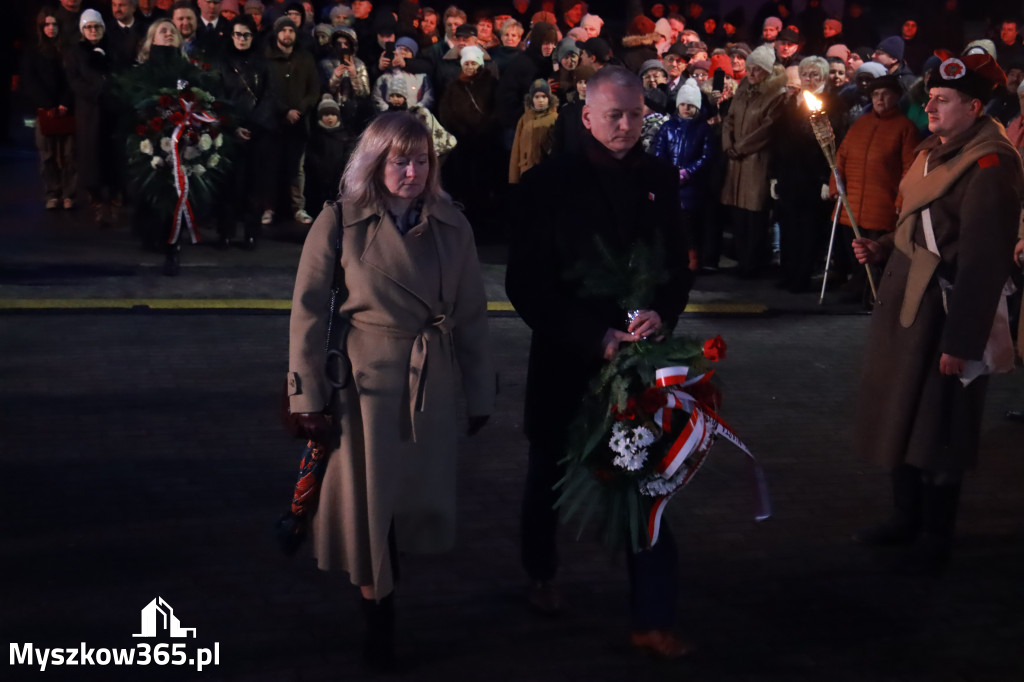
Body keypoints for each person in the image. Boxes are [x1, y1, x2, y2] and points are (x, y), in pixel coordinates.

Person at [287, 112, 493, 669]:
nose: (411, 172)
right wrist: (306, 397)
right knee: (370, 509)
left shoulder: (454, 225)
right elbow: (306, 313)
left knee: (410, 505)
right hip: (365, 383)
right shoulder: (339, 221)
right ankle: (379, 621)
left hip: (432, 380)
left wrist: (479, 394)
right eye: (400, 160)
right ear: (376, 163)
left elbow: (472, 315)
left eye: (421, 160)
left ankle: (385, 595)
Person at [505, 66, 693, 659]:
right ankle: (540, 572)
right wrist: (594, 336)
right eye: (614, 114)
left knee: (648, 480)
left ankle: (652, 614)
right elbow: (525, 285)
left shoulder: (660, 177)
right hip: (569, 360)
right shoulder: (548, 184)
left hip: (639, 364)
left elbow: (678, 267)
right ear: (586, 116)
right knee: (548, 475)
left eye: (636, 114)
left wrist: (662, 312)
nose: (627, 125)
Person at [850, 54, 1024, 573]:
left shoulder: (991, 163)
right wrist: (882, 247)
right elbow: (916, 223)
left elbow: (982, 261)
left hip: (943, 314)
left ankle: (935, 534)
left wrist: (962, 342)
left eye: (942, 100)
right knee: (903, 416)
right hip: (906, 307)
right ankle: (905, 518)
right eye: (930, 98)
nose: (930, 106)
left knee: (941, 428)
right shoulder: (933, 150)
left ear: (974, 106)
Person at [829, 75, 920, 302]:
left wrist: (902, 200)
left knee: (876, 251)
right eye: (876, 94)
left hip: (881, 203)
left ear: (896, 98)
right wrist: (835, 185)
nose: (880, 99)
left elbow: (910, 168)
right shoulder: (861, 123)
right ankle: (857, 286)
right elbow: (841, 156)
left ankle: (872, 292)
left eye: (886, 94)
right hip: (853, 202)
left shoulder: (905, 128)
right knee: (853, 248)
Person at [720, 44, 787, 278]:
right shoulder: (743, 88)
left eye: (757, 70)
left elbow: (768, 130)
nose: (751, 73)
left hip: (756, 161)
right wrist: (728, 144)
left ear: (768, 71)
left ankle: (754, 262)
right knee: (738, 212)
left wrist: (740, 147)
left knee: (755, 215)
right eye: (750, 69)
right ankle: (742, 260)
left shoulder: (777, 95)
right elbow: (730, 118)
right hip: (736, 161)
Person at [262, 16, 320, 226]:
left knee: (297, 169)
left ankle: (299, 208)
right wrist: (284, 110)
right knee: (271, 167)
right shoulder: (266, 58)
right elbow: (265, 90)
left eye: (291, 30)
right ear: (276, 33)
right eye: (283, 30)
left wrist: (300, 110)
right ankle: (268, 209)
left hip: (299, 124)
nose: (287, 34)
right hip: (273, 123)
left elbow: (314, 90)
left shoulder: (305, 58)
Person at [65, 9, 117, 226]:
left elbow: (119, 73)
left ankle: (112, 202)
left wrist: (111, 89)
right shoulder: (76, 52)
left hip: (112, 111)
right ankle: (96, 201)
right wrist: (97, 90)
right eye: (88, 27)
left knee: (111, 158)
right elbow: (74, 81)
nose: (93, 31)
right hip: (89, 112)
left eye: (96, 26)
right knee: (90, 156)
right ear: (82, 30)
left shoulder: (112, 49)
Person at [21, 7, 76, 211]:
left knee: (70, 154)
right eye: (47, 24)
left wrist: (64, 103)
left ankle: (69, 193)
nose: (51, 28)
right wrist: (48, 104)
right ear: (40, 26)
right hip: (44, 109)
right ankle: (52, 193)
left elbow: (72, 79)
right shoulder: (32, 50)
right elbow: (30, 81)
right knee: (47, 155)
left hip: (66, 108)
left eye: (54, 24)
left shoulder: (68, 49)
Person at [509, 79, 558, 183]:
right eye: (537, 97)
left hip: (545, 171)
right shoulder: (524, 118)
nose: (540, 100)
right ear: (531, 99)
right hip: (525, 170)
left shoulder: (554, 118)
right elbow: (516, 150)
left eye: (544, 97)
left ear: (549, 98)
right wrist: (513, 179)